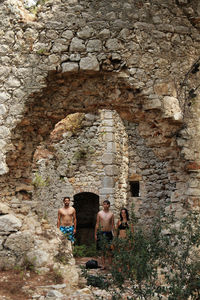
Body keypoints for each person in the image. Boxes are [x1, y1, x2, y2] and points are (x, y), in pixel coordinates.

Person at [94, 200, 115, 270]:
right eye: (104, 204)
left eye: (106, 204)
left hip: (109, 233)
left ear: (109, 205)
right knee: (102, 250)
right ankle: (103, 265)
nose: (105, 206)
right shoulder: (100, 213)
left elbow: (112, 225)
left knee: (109, 250)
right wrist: (95, 234)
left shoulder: (111, 214)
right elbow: (97, 224)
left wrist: (114, 235)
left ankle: (110, 265)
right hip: (101, 233)